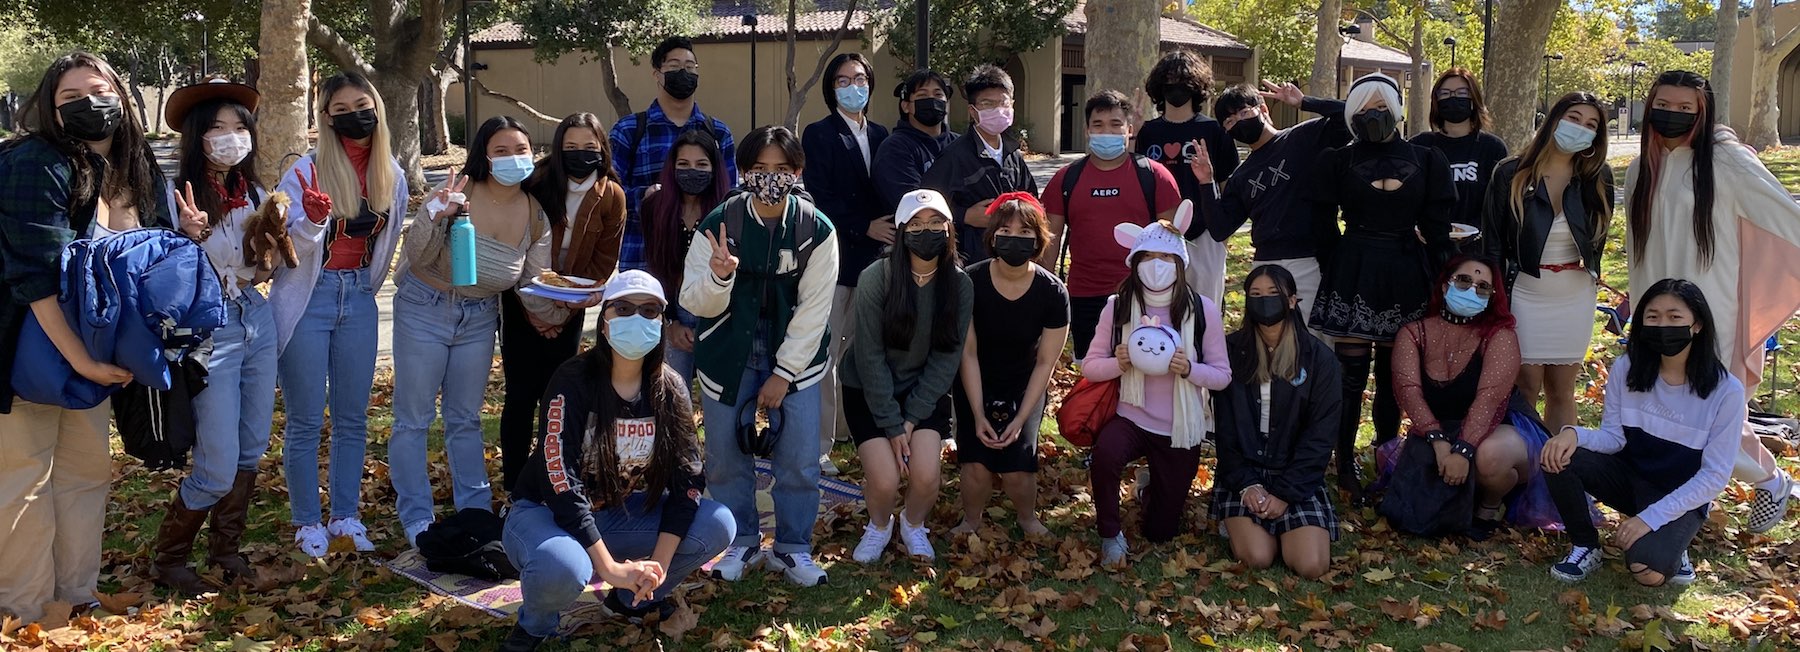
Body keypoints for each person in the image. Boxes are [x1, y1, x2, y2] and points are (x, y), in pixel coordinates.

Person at [0, 52, 175, 623]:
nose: (87, 105)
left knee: (84, 475)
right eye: (70, 99)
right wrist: (84, 361)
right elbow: (35, 280)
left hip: (91, 354)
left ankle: (74, 599)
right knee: (25, 477)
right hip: (26, 346)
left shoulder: (133, 166)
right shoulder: (35, 162)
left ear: (121, 97)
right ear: (50, 111)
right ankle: (23, 612)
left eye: (97, 91)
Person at [499, 271, 734, 652]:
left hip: (617, 512)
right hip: (545, 514)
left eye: (649, 311)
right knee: (563, 568)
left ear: (662, 323)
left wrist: (654, 567)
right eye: (623, 309)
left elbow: (687, 481)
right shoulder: (572, 380)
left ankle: (633, 599)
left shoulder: (670, 389)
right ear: (604, 321)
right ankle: (536, 625)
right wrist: (609, 569)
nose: (636, 319)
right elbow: (559, 478)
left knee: (717, 523)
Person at [1622, 70, 1800, 533]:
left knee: (1705, 414)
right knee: (1655, 411)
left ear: (1703, 112)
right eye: (1664, 104)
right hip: (1651, 315)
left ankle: (1770, 480)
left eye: (1686, 108)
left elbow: (1788, 220)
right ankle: (1668, 507)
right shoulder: (1644, 165)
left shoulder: (1728, 163)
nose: (1673, 115)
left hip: (1708, 317)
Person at [388, 116, 568, 547]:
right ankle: (417, 518)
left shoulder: (535, 214)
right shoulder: (457, 191)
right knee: (413, 419)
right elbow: (417, 254)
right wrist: (435, 214)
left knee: (464, 419)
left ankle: (474, 508)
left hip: (480, 316)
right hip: (425, 307)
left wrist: (556, 317)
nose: (513, 158)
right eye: (501, 151)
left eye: (521, 150)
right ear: (484, 155)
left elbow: (532, 281)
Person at [680, 126, 838, 587]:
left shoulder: (817, 229)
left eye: (782, 170)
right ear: (743, 172)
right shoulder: (718, 224)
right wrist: (720, 277)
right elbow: (696, 302)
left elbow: (815, 311)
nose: (771, 178)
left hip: (797, 356)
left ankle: (793, 548)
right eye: (760, 169)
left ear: (798, 173)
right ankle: (740, 542)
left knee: (799, 458)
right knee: (726, 458)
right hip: (729, 351)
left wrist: (783, 376)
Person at [272, 71, 410, 557]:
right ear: (326, 118)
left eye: (363, 103)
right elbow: (284, 248)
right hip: (307, 298)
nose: (356, 114)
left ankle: (345, 516)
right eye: (343, 107)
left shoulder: (391, 174)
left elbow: (388, 242)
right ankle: (307, 520)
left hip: (358, 299)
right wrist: (310, 221)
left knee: (353, 418)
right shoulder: (305, 172)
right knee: (306, 419)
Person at [151, 80, 280, 593]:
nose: (232, 137)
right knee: (218, 460)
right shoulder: (172, 193)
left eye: (239, 127)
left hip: (255, 317)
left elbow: (261, 268)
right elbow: (159, 273)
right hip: (209, 328)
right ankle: (169, 557)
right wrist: (187, 236)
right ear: (197, 137)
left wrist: (274, 248)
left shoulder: (253, 192)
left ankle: (226, 548)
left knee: (251, 445)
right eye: (218, 128)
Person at [1308, 73, 1457, 496]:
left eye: (1382, 106)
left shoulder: (1429, 160)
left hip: (1407, 271)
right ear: (1353, 115)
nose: (1375, 115)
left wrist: (1440, 277)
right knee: (1349, 376)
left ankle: (1385, 457)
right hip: (1353, 269)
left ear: (1397, 108)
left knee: (1395, 375)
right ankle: (1345, 468)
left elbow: (1437, 228)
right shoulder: (1335, 161)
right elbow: (1321, 224)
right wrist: (1336, 263)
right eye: (1365, 108)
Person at [1541, 279, 1743, 586]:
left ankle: (1674, 541)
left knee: (1647, 572)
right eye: (1652, 316)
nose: (1663, 325)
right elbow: (1614, 438)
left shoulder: (1725, 391)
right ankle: (1585, 544)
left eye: (1675, 317)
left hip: (1680, 494)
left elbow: (1714, 476)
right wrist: (1573, 434)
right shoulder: (1628, 368)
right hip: (1630, 479)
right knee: (1558, 453)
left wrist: (1651, 518)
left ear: (1698, 324)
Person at [1083, 213, 1231, 565]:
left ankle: (1150, 489)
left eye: (1165, 258)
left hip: (1179, 428)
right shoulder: (1117, 306)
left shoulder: (1203, 310)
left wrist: (1190, 369)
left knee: (1161, 532)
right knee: (1105, 455)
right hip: (1131, 416)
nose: (1156, 266)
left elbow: (1222, 375)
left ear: (1180, 264)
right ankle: (1109, 534)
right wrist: (1118, 363)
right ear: (1134, 263)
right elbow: (1090, 365)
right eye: (1147, 257)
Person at [1388, 256, 1558, 540]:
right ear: (1445, 287)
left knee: (1488, 458)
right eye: (1464, 281)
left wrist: (1464, 449)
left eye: (1483, 287)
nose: (1472, 290)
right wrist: (1440, 443)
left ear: (1491, 298)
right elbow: (1409, 392)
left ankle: (1488, 507)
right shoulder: (1412, 333)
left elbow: (1489, 401)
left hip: (1500, 427)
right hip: (1438, 427)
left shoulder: (1500, 336)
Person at [844, 189, 973, 562]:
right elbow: (868, 356)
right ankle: (880, 524)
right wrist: (890, 423)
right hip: (867, 388)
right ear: (900, 231)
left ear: (949, 229)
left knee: (926, 477)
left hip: (922, 390)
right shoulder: (876, 277)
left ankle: (913, 523)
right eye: (915, 224)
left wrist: (912, 418)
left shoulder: (959, 284)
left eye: (936, 223)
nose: (926, 231)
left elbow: (946, 358)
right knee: (885, 480)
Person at [502, 112, 628, 493]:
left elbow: (604, 261)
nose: (579, 154)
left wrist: (565, 308)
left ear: (602, 149)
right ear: (558, 149)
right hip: (522, 302)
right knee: (520, 396)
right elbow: (515, 245)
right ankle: (513, 487)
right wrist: (537, 311)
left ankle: (549, 482)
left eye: (589, 147)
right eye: (570, 147)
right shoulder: (537, 183)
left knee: (556, 398)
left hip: (570, 309)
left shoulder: (612, 196)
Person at [1484, 92, 1613, 436]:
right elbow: (1493, 245)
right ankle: (1528, 472)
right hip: (1526, 293)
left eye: (1591, 125)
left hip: (1574, 296)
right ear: (1553, 119)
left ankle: (1562, 474)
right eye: (1573, 118)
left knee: (1562, 390)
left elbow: (1596, 242)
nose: (1580, 128)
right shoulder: (1510, 173)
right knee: (1526, 387)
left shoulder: (1597, 179)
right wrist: (1494, 300)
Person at [1211, 265, 1341, 579]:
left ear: (1293, 300)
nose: (1264, 301)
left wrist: (1286, 494)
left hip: (1296, 473)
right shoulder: (1229, 352)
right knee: (1257, 558)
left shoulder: (1319, 358)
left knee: (1311, 565)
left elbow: (1321, 436)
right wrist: (1246, 484)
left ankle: (1292, 526)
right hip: (1244, 473)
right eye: (1255, 295)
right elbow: (1225, 431)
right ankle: (1239, 520)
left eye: (1273, 294)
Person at [952, 194, 1068, 538]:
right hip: (976, 380)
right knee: (977, 466)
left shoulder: (1053, 293)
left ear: (1039, 239)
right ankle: (971, 519)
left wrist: (1020, 419)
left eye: (1025, 232)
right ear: (992, 235)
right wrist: (977, 413)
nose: (1014, 238)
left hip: (1025, 383)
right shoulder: (969, 283)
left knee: (1018, 469)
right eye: (1005, 229)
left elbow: (1046, 362)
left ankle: (1027, 517)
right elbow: (967, 354)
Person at [1191, 81, 1350, 321]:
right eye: (1229, 121)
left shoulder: (1303, 137)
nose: (1238, 122)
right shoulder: (1241, 177)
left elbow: (1350, 116)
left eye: (1243, 112)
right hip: (1266, 264)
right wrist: (1206, 182)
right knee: (1268, 343)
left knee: (1315, 342)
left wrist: (1304, 102)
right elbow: (1220, 227)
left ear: (1263, 109)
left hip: (1312, 260)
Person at [1040, 90, 1181, 357]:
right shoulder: (1066, 179)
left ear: (1129, 129)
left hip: (1145, 294)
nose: (1107, 131)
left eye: (1116, 124)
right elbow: (1050, 238)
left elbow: (1173, 243)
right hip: (1085, 295)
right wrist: (1046, 292)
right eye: (1098, 125)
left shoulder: (1155, 176)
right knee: (1092, 375)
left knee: (1146, 372)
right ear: (1087, 130)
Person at [803, 52, 891, 475]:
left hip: (877, 262)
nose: (852, 86)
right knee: (825, 353)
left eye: (859, 78)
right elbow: (820, 196)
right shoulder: (819, 135)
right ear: (830, 88)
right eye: (842, 80)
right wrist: (863, 226)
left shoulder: (882, 133)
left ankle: (852, 430)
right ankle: (819, 442)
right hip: (835, 258)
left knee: (863, 351)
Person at [609, 36, 736, 273]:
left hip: (705, 267)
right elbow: (610, 194)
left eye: (690, 67)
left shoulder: (718, 133)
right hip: (643, 262)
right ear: (657, 73)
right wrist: (644, 196)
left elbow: (729, 197)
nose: (683, 73)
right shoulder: (628, 131)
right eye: (675, 67)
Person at [1136, 49, 1238, 301]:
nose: (1175, 88)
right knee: (1159, 308)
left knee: (1206, 310)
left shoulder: (1214, 131)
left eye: (1182, 82)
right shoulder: (1146, 132)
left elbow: (1229, 187)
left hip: (1205, 236)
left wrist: (1222, 237)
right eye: (1168, 82)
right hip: (1157, 235)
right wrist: (1131, 136)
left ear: (1196, 87)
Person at [641, 130, 732, 384]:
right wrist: (670, 323)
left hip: (720, 316)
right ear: (672, 168)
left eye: (702, 164)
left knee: (719, 399)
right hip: (672, 311)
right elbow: (655, 267)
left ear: (714, 168)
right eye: (683, 164)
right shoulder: (654, 206)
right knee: (673, 394)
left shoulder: (730, 210)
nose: (692, 171)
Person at [922, 64, 1037, 264]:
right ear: (973, 111)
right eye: (987, 104)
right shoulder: (954, 156)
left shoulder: (1014, 154)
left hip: (1012, 258)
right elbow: (926, 205)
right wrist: (964, 215)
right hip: (970, 260)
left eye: (1003, 103)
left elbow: (1032, 200)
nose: (997, 110)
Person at [1410, 68, 1509, 247]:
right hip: (1425, 250)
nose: (1453, 98)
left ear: (1474, 98)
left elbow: (1499, 205)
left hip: (1475, 253)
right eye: (1445, 93)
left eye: (1462, 92)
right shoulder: (1419, 145)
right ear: (1436, 101)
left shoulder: (1492, 148)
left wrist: (1478, 231)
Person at [872, 69, 958, 213]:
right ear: (906, 106)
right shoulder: (894, 149)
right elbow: (913, 204)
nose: (932, 100)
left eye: (938, 94)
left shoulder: (960, 144)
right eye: (922, 95)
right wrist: (964, 214)